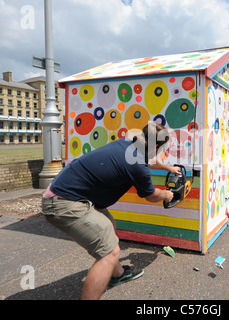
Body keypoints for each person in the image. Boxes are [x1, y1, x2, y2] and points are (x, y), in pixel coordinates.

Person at [41, 123, 179, 299]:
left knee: (109, 224)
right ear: (155, 146)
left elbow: (150, 159)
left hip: (72, 194)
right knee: (110, 253)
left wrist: (169, 168)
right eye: (161, 148)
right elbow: (151, 196)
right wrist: (167, 195)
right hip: (63, 202)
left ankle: (117, 274)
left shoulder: (130, 144)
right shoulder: (138, 164)